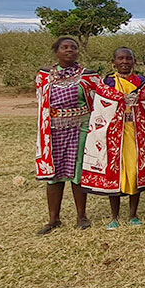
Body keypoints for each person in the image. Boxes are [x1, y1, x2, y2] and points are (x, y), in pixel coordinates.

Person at [35, 36, 101, 234]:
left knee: (77, 171)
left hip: (80, 128)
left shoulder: (89, 76)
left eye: (73, 47)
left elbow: (97, 102)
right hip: (53, 129)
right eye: (65, 47)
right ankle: (53, 219)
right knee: (54, 175)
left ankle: (82, 216)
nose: (69, 50)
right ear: (57, 51)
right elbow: (41, 101)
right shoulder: (44, 75)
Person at [81, 48, 145, 229]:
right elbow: (102, 109)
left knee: (135, 171)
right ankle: (114, 216)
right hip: (113, 135)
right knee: (115, 172)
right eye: (120, 58)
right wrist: (121, 101)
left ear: (134, 61)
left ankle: (133, 214)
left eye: (129, 58)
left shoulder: (141, 82)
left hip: (136, 133)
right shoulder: (107, 83)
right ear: (113, 62)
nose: (125, 62)